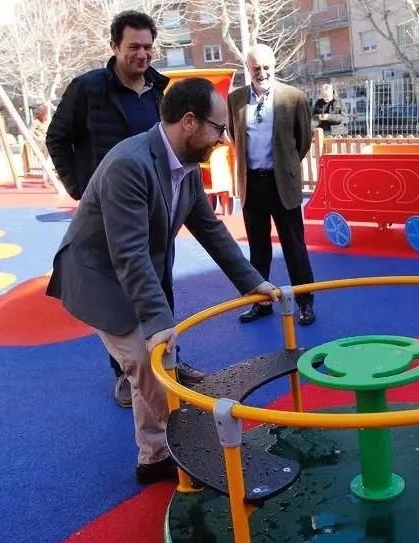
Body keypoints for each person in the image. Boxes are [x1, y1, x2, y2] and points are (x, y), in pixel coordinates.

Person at [46, 77, 278, 484]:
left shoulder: (184, 164)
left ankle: (153, 456)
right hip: (98, 276)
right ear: (189, 121)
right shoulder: (130, 165)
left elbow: (209, 227)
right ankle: (200, 448)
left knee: (158, 359)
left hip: (133, 270)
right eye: (219, 128)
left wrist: (251, 281)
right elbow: (128, 253)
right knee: (148, 362)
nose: (223, 139)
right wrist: (156, 323)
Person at [46, 9, 204, 408]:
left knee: (160, 283)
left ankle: (169, 361)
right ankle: (127, 375)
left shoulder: (159, 92)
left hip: (155, 204)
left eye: (149, 47)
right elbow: (57, 138)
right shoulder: (88, 90)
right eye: (134, 47)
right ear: (115, 46)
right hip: (113, 203)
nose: (142, 55)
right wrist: (82, 189)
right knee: (120, 293)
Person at [227, 44, 316, 326]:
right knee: (258, 248)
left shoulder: (294, 98)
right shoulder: (235, 100)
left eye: (266, 67)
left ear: (273, 66)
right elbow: (234, 135)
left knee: (294, 246)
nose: (262, 72)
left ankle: (305, 303)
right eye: (256, 68)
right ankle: (260, 303)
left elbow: (302, 141)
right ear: (248, 69)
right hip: (252, 184)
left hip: (283, 184)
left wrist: (286, 166)